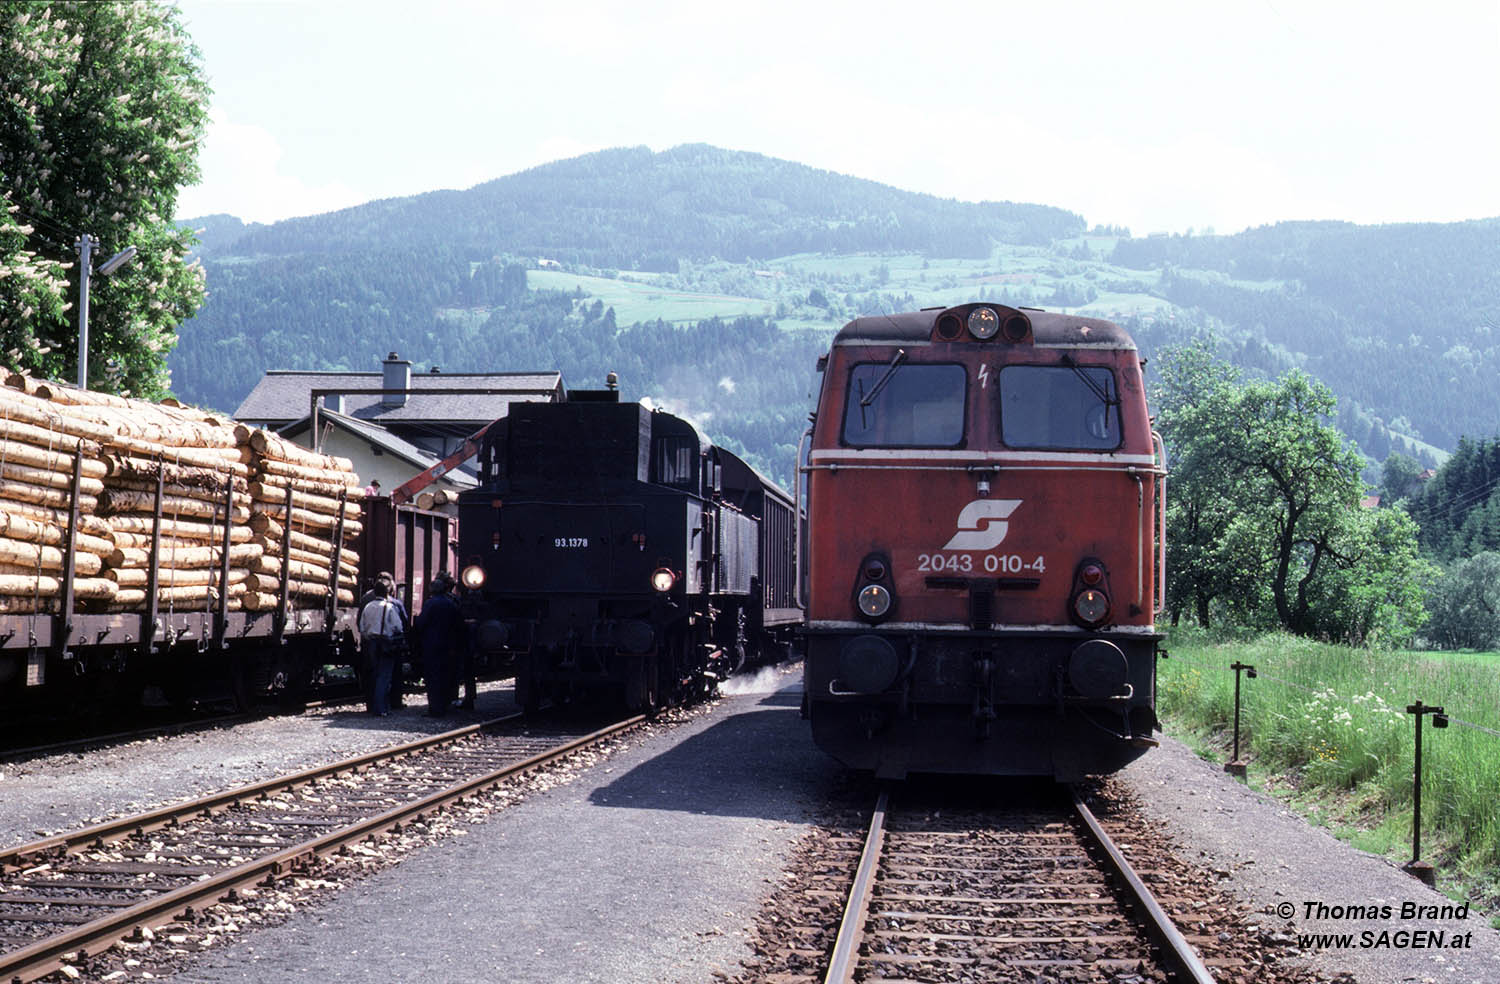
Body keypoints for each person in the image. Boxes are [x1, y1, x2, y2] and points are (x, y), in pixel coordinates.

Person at [414, 572, 464, 717]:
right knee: (446, 676)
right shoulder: (452, 604)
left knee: (433, 678)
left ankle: (435, 708)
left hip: (432, 646)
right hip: (448, 646)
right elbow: (459, 625)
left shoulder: (430, 603)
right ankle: (444, 705)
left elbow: (421, 623)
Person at [360, 572, 409, 708]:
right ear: (389, 589)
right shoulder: (393, 605)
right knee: (388, 674)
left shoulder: (366, 602)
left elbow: (361, 624)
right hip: (388, 643)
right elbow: (401, 626)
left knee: (372, 674)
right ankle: (389, 704)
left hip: (370, 642)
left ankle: (371, 704)